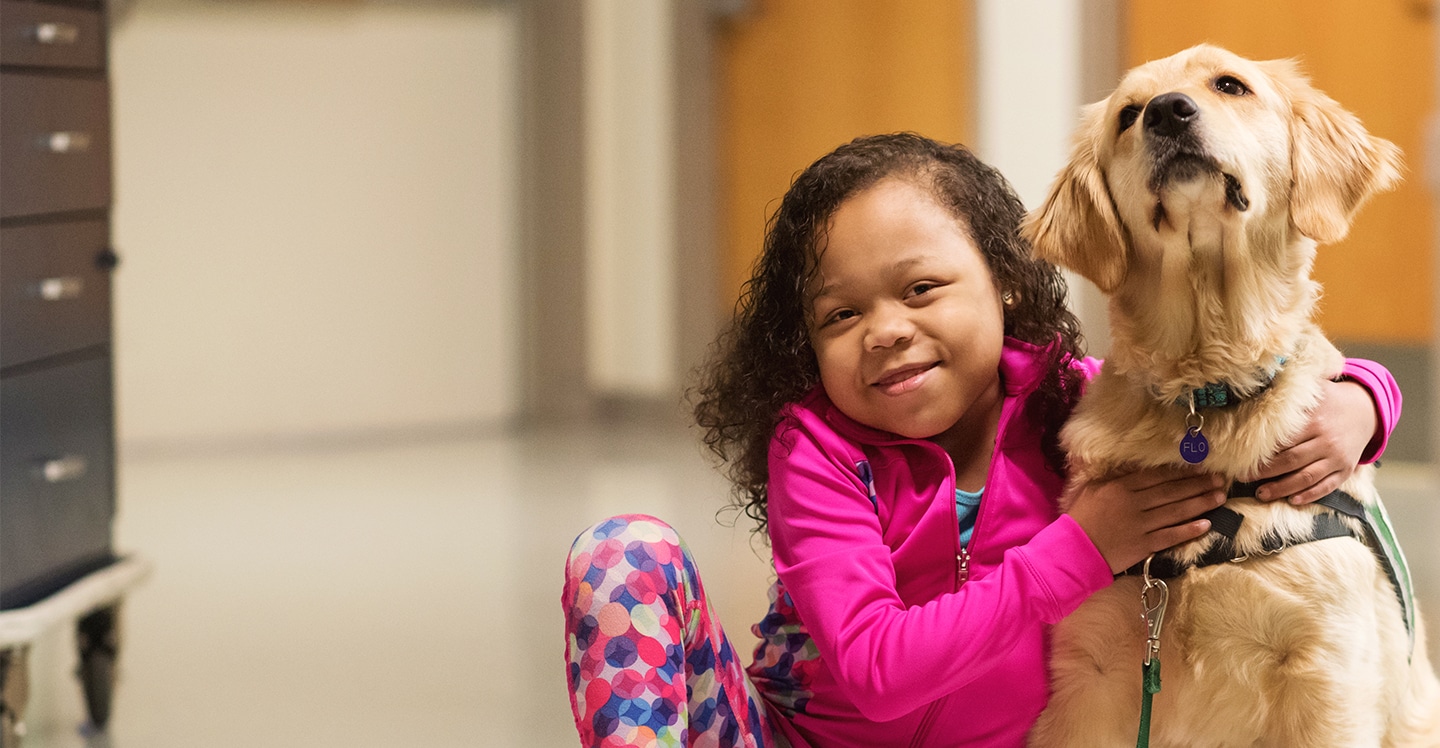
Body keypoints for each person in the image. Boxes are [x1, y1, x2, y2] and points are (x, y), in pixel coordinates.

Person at [560, 133, 1401, 748]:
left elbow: (1206, 390)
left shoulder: (1074, 399)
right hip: (797, 742)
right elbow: (877, 673)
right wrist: (1080, 548)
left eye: (922, 288)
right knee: (622, 552)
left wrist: (1365, 400)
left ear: (1004, 284)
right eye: (841, 315)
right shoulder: (815, 449)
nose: (886, 331)